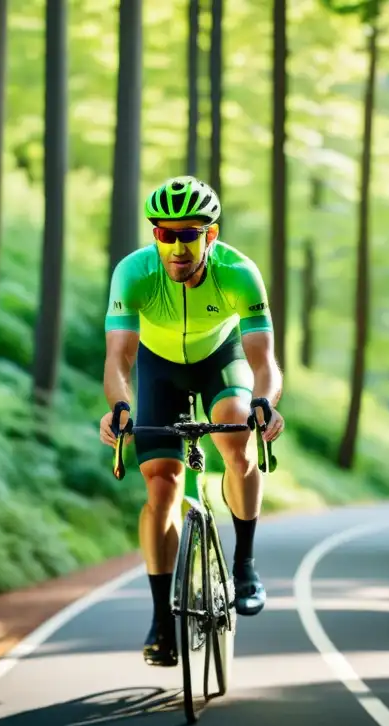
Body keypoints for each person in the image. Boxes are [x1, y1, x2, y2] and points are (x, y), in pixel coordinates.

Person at [99, 175, 285, 667]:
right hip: (159, 370)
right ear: (155, 235)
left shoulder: (239, 273)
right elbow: (119, 359)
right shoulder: (133, 273)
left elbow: (263, 361)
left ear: (212, 236)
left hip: (219, 360)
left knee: (238, 432)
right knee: (161, 487)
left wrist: (265, 401)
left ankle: (244, 565)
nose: (178, 246)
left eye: (190, 234)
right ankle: (162, 620)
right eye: (166, 234)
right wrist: (120, 408)